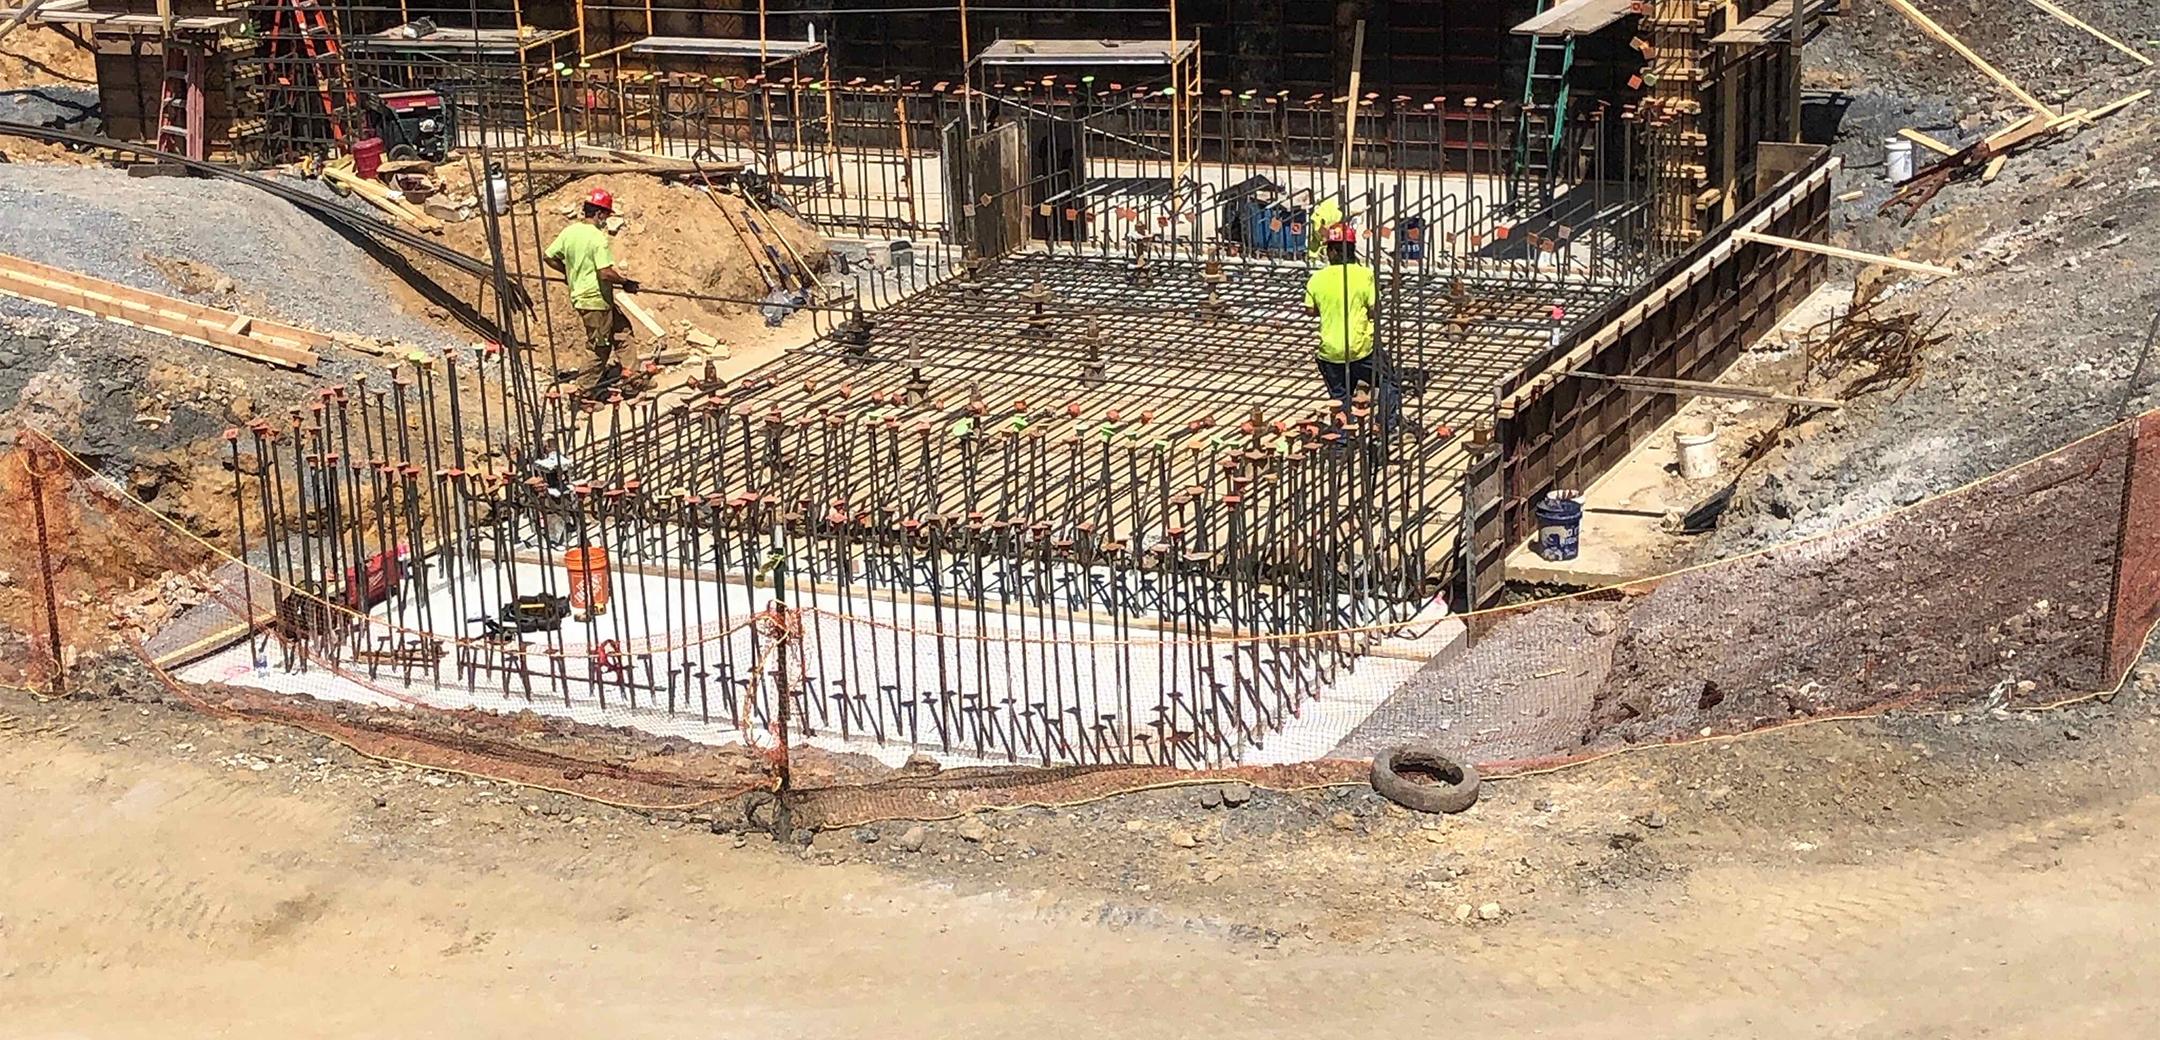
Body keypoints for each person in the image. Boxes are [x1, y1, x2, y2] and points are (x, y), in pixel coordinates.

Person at [1302, 223, 1401, 433]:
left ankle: (1341, 440)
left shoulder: (1316, 279)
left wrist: (1331, 308)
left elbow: (1310, 311)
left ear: (1330, 251)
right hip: (1360, 348)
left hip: (1330, 352)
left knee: (1340, 398)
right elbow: (1375, 310)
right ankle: (1383, 425)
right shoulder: (1364, 275)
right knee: (1389, 381)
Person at [543, 188, 639, 392]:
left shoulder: (569, 232)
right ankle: (583, 392)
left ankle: (632, 379)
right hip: (594, 301)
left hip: (594, 298)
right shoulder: (597, 238)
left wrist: (569, 274)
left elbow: (549, 256)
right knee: (600, 346)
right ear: (600, 214)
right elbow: (604, 272)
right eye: (606, 215)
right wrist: (625, 282)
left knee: (622, 331)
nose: (605, 220)